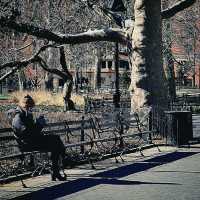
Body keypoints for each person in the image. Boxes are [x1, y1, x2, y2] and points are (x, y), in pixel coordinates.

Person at [11, 95, 66, 181]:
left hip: (32, 141)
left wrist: (38, 123)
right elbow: (26, 133)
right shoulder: (18, 117)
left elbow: (32, 130)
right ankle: (59, 164)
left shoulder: (25, 114)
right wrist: (39, 125)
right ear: (24, 106)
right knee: (56, 143)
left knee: (56, 139)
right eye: (29, 107)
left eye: (31, 108)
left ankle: (57, 167)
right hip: (27, 144)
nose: (30, 109)